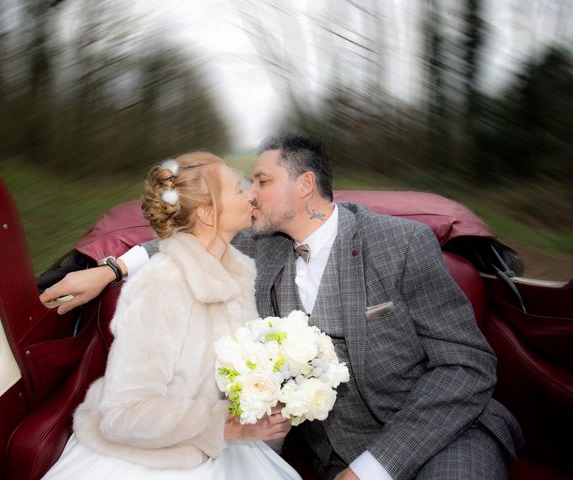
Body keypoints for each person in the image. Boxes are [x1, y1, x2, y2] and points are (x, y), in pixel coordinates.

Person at [41, 134, 523, 480]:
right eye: (244, 184)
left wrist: (376, 468)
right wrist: (110, 268)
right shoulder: (260, 246)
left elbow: (467, 364)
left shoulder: (400, 243)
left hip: (446, 431)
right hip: (337, 449)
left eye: (262, 180)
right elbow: (186, 242)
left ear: (305, 184)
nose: (251, 193)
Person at [41, 152, 300, 480]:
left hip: (216, 445)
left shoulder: (237, 272)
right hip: (153, 459)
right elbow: (123, 414)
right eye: (238, 189)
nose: (251, 194)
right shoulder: (161, 285)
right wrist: (225, 426)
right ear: (207, 213)